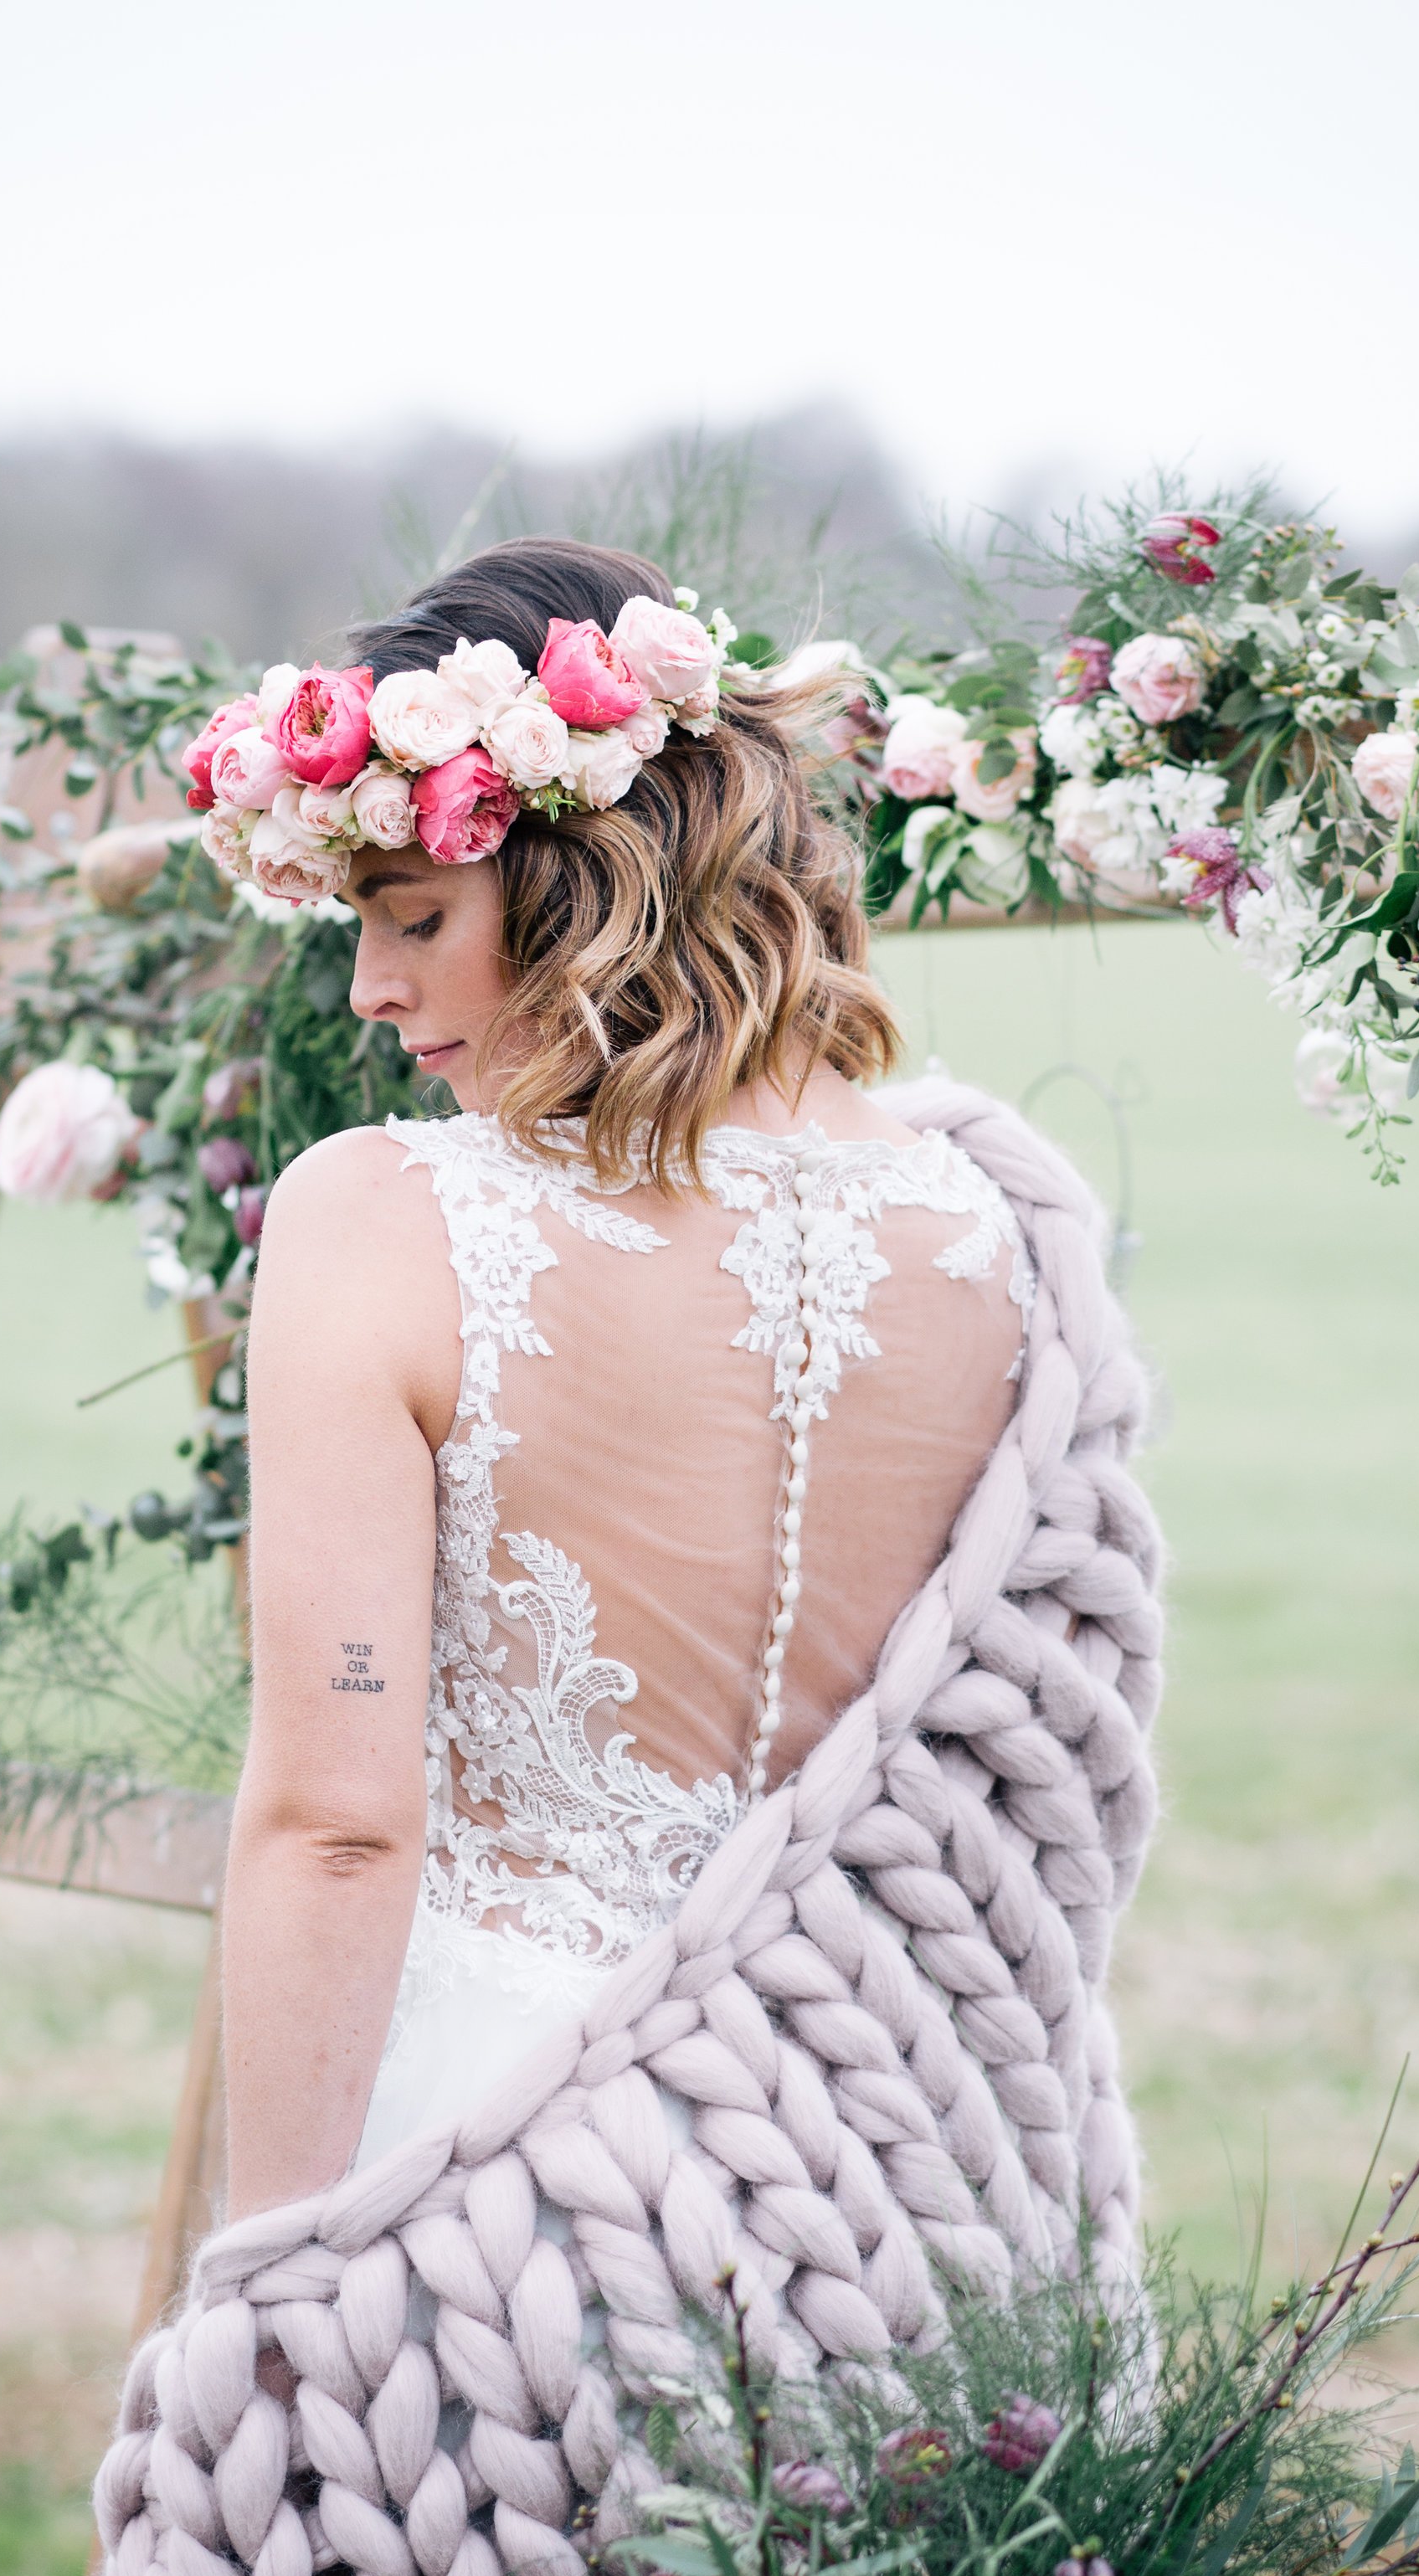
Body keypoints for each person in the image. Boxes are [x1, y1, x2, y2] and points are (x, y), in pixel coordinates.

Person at [217, 538, 1034, 2221]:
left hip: (500, 2159)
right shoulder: (988, 1236)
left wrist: (277, 2275)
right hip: (873, 2153)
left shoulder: (381, 1221)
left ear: (588, 880)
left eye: (414, 918)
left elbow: (337, 1824)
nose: (370, 992)